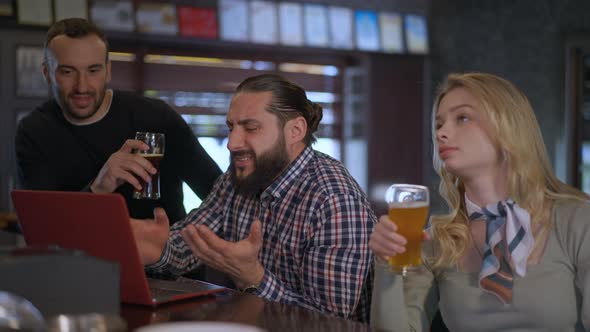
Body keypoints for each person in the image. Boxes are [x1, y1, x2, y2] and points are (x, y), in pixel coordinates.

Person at [130, 74, 375, 322]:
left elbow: (329, 324)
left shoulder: (336, 201)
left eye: (251, 128)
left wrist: (252, 277)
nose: (232, 143)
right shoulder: (238, 178)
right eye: (231, 127)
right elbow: (188, 245)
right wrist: (157, 251)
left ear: (295, 130)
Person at [370, 72, 590, 331]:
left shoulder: (576, 220)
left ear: (508, 127)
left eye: (462, 118)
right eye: (439, 124)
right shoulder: (437, 241)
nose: (441, 133)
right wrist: (387, 265)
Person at [14, 18, 222, 223]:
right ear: (47, 73)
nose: (82, 86)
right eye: (68, 72)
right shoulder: (34, 131)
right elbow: (42, 225)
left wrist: (187, 239)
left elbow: (221, 201)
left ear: (108, 71)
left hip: (164, 253)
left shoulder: (156, 117)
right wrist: (99, 187)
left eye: (93, 70)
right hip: (80, 256)